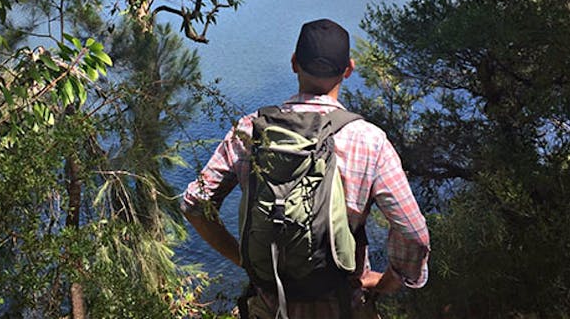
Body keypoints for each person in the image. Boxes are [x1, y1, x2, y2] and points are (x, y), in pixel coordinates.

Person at [181, 18, 430, 318]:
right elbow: (414, 234)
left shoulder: (251, 130)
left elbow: (195, 204)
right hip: (343, 305)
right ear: (349, 69)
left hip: (269, 307)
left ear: (294, 63)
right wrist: (390, 280)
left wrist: (245, 261)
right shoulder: (369, 141)